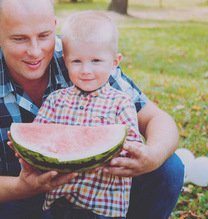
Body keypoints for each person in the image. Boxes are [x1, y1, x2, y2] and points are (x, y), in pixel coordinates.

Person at [0, 0, 184, 218]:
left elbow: (158, 119)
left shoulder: (81, 58)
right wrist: (22, 187)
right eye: (20, 39)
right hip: (12, 194)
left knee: (169, 169)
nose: (35, 51)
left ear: (54, 26)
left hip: (89, 194)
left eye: (44, 35)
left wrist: (153, 155)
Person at [33, 11, 143, 218]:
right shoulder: (55, 101)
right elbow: (39, 136)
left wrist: (111, 152)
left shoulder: (121, 103)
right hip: (58, 203)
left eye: (95, 61)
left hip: (102, 205)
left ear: (114, 62)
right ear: (65, 61)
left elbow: (133, 145)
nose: (85, 70)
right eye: (76, 61)